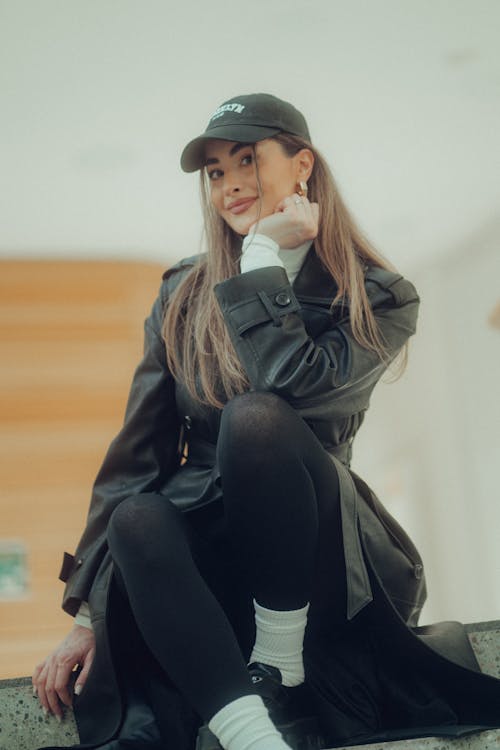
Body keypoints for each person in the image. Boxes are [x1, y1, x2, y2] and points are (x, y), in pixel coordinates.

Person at [32, 93, 500, 750]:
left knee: (256, 420)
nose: (228, 186)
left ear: (301, 164)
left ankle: (280, 660)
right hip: (213, 561)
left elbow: (291, 390)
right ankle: (253, 733)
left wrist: (260, 262)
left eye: (246, 160)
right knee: (136, 514)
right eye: (216, 172)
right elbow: (135, 454)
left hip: (319, 553)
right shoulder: (180, 294)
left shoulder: (379, 296)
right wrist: (86, 608)